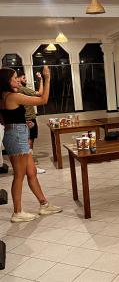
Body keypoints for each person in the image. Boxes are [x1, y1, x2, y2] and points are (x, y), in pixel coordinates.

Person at [0, 66, 62, 223]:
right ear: (7, 81)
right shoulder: (12, 97)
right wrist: (47, 79)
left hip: (16, 132)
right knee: (19, 175)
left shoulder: (3, 97)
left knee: (32, 172)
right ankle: (17, 212)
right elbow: (43, 100)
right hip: (16, 136)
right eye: (14, 77)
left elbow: (4, 119)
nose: (17, 79)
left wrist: (20, 123)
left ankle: (44, 204)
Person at [17, 72, 45, 174]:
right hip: (29, 119)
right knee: (29, 143)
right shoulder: (22, 89)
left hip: (25, 119)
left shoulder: (17, 90)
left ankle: (27, 166)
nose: (26, 80)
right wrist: (42, 79)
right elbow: (41, 94)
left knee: (27, 143)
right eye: (23, 78)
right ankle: (30, 166)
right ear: (18, 79)